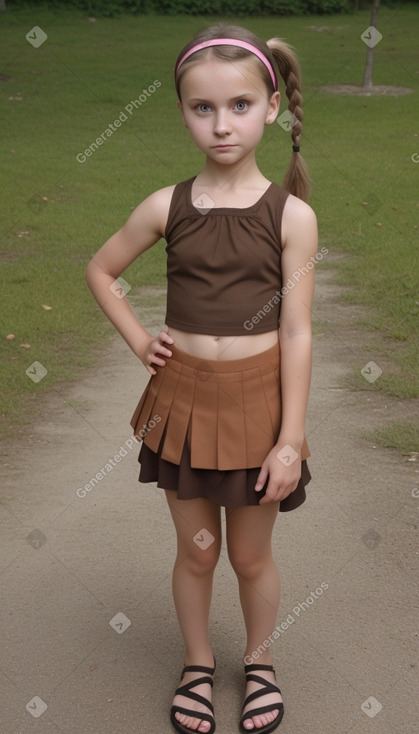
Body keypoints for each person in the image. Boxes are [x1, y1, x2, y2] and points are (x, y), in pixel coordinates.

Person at [86, 23, 318, 734]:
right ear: (183, 111)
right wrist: (137, 340)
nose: (222, 124)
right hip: (180, 401)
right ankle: (195, 663)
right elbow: (101, 270)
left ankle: (258, 661)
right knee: (198, 551)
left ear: (272, 107)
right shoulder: (167, 204)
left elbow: (298, 330)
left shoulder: (293, 216)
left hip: (258, 408)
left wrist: (291, 440)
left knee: (249, 557)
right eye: (202, 108)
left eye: (240, 105)